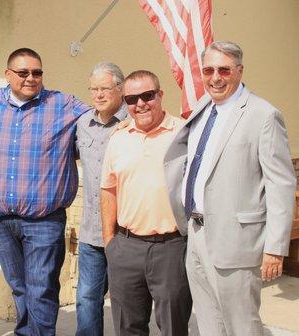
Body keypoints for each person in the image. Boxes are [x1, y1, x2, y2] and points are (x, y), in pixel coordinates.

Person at [164, 41, 296, 335]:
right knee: (210, 324)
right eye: (208, 70)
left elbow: (281, 184)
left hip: (237, 241)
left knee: (241, 327)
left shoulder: (263, 115)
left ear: (239, 71)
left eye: (224, 69)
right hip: (197, 234)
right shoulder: (203, 108)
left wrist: (274, 248)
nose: (215, 77)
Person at [0, 48, 91, 336]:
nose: (31, 78)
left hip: (44, 221)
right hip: (0, 223)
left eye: (37, 72)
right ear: (7, 74)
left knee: (41, 291)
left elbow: (102, 116)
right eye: (23, 72)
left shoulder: (63, 104)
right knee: (20, 288)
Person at [100, 70, 192, 336]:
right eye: (131, 99)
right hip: (126, 247)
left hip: (171, 248)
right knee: (128, 327)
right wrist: (110, 242)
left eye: (147, 96)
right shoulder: (118, 137)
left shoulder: (183, 134)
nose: (140, 104)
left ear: (160, 95)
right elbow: (108, 189)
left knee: (173, 327)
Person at [75, 62, 127, 336]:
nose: (98, 94)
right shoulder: (83, 123)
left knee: (127, 302)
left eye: (104, 88)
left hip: (126, 234)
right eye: (93, 89)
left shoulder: (135, 122)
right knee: (86, 299)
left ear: (120, 89)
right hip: (91, 233)